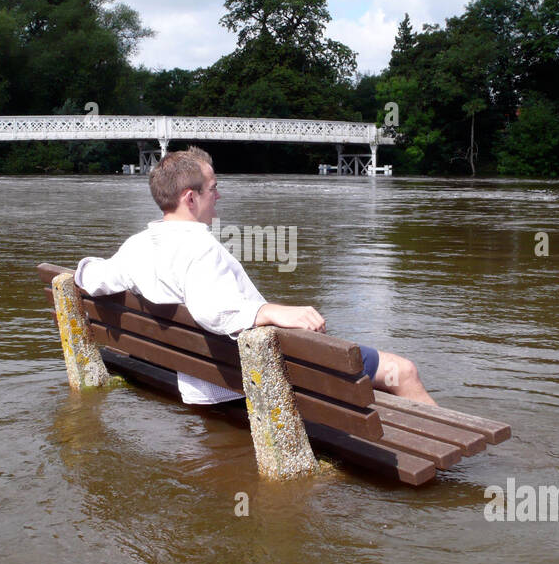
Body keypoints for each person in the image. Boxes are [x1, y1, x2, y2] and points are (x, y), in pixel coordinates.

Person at [74, 146, 436, 406]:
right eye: (213, 188)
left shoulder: (138, 246)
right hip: (253, 377)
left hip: (203, 375)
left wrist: (79, 270)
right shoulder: (201, 249)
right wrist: (270, 310)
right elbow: (212, 311)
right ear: (190, 198)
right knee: (402, 371)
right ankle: (447, 456)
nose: (219, 195)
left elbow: (92, 278)